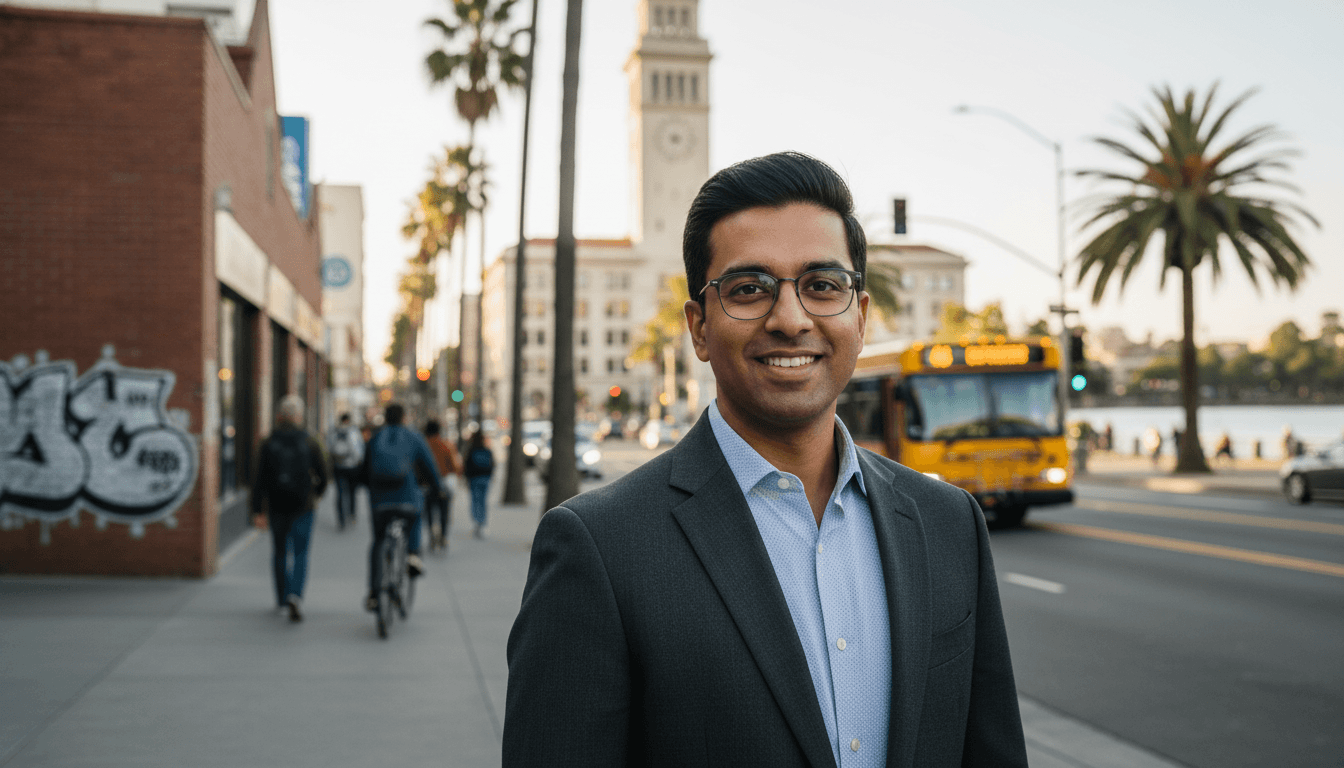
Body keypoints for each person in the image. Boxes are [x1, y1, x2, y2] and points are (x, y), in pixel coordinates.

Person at [503, 152, 1027, 766]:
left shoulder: (949, 522)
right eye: (749, 290)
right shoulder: (599, 547)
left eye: (822, 286)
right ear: (699, 328)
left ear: (859, 317)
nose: (790, 319)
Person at [250, 394, 328, 623]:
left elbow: (258, 478)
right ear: (299, 416)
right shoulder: (310, 441)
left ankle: (282, 598)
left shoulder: (267, 442)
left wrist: (257, 509)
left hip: (277, 505)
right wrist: (316, 494)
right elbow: (324, 473)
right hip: (303, 505)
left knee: (280, 551)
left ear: (279, 416)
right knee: (301, 552)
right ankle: (296, 594)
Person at [359, 403, 444, 612]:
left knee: (379, 542)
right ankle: (413, 555)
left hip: (379, 501)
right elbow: (429, 465)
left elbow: (364, 469)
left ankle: (374, 593)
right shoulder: (414, 437)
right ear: (404, 417)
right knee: (414, 516)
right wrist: (438, 488)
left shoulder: (376, 438)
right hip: (407, 497)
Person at [423, 419, 462, 551]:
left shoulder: (423, 445)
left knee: (429, 511)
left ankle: (432, 533)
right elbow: (455, 466)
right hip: (443, 483)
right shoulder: (446, 445)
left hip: (426, 485)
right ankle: (443, 536)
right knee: (444, 511)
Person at [328, 413, 364, 530]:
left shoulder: (334, 431)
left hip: (338, 467)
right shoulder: (354, 431)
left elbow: (329, 448)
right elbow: (359, 449)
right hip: (352, 467)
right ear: (348, 420)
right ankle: (352, 514)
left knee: (340, 493)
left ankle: (341, 519)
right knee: (352, 492)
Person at [462, 429, 495, 539]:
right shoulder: (487, 450)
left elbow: (467, 466)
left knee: (475, 501)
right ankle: (482, 522)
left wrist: (466, 478)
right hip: (485, 478)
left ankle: (477, 522)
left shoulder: (471, 450)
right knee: (483, 501)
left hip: (474, 479)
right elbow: (492, 464)